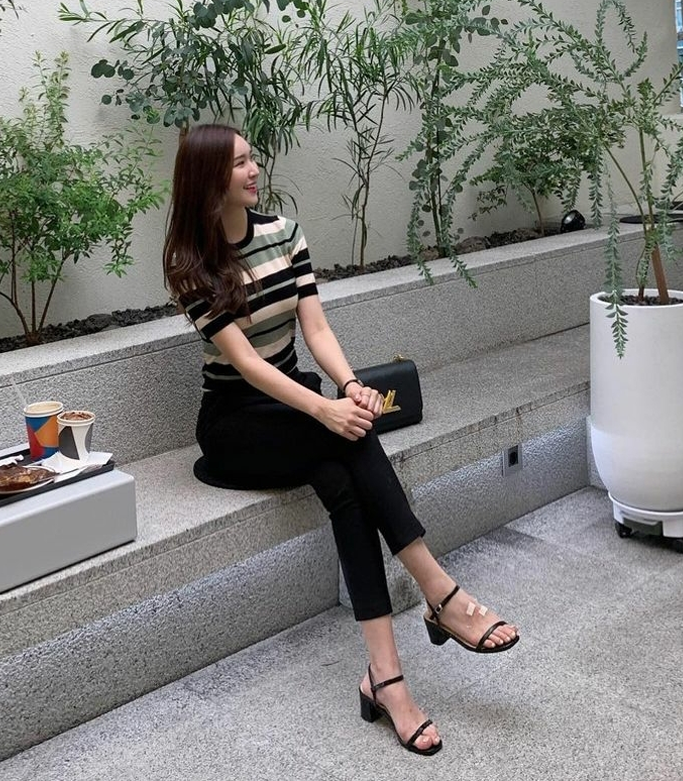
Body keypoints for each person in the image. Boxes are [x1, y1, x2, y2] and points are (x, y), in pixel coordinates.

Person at [163, 124, 519, 756]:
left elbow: (317, 329)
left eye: (251, 158)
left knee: (344, 479)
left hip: (297, 401)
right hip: (236, 423)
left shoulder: (284, 234)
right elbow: (246, 364)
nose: (254, 170)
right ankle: (441, 593)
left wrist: (349, 386)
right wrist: (325, 410)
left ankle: (386, 678)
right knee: (346, 437)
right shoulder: (190, 264)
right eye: (239, 163)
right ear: (208, 178)